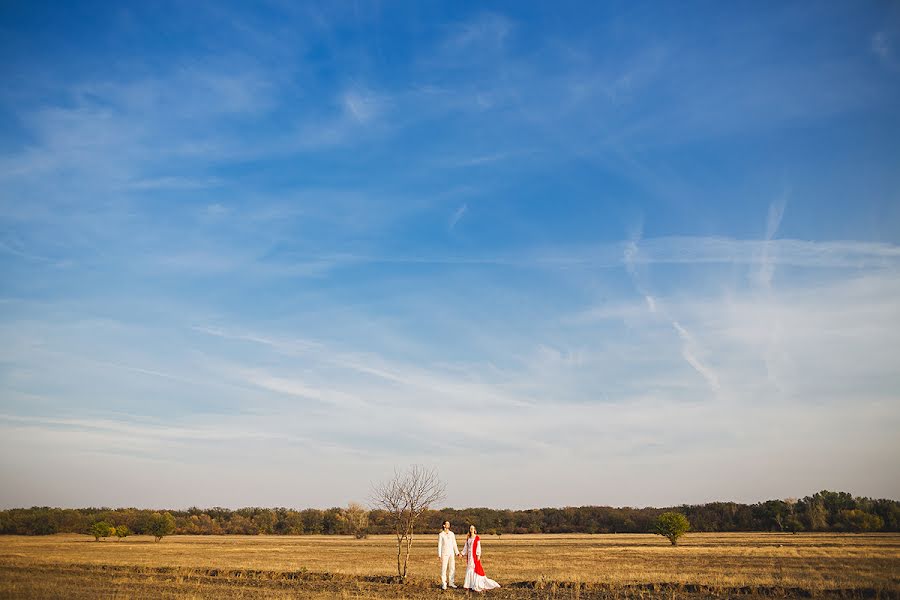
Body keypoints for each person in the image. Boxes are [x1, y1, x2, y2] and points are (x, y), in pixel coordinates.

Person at [461, 525, 500, 592]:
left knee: (475, 568)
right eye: (470, 528)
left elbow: (478, 547)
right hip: (469, 555)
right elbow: (466, 547)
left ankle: (476, 584)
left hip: (474, 556)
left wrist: (478, 554)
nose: (471, 530)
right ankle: (469, 585)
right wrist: (462, 553)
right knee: (469, 568)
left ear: (474, 530)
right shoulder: (468, 538)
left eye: (472, 528)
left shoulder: (477, 538)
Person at [437, 519, 461, 590]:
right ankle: (444, 583)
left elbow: (454, 544)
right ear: (444, 525)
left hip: (451, 553)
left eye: (449, 524)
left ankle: (451, 582)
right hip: (444, 553)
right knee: (444, 569)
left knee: (452, 568)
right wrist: (439, 555)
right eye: (447, 524)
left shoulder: (452, 534)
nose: (448, 525)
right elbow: (439, 545)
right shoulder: (441, 534)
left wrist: (457, 553)